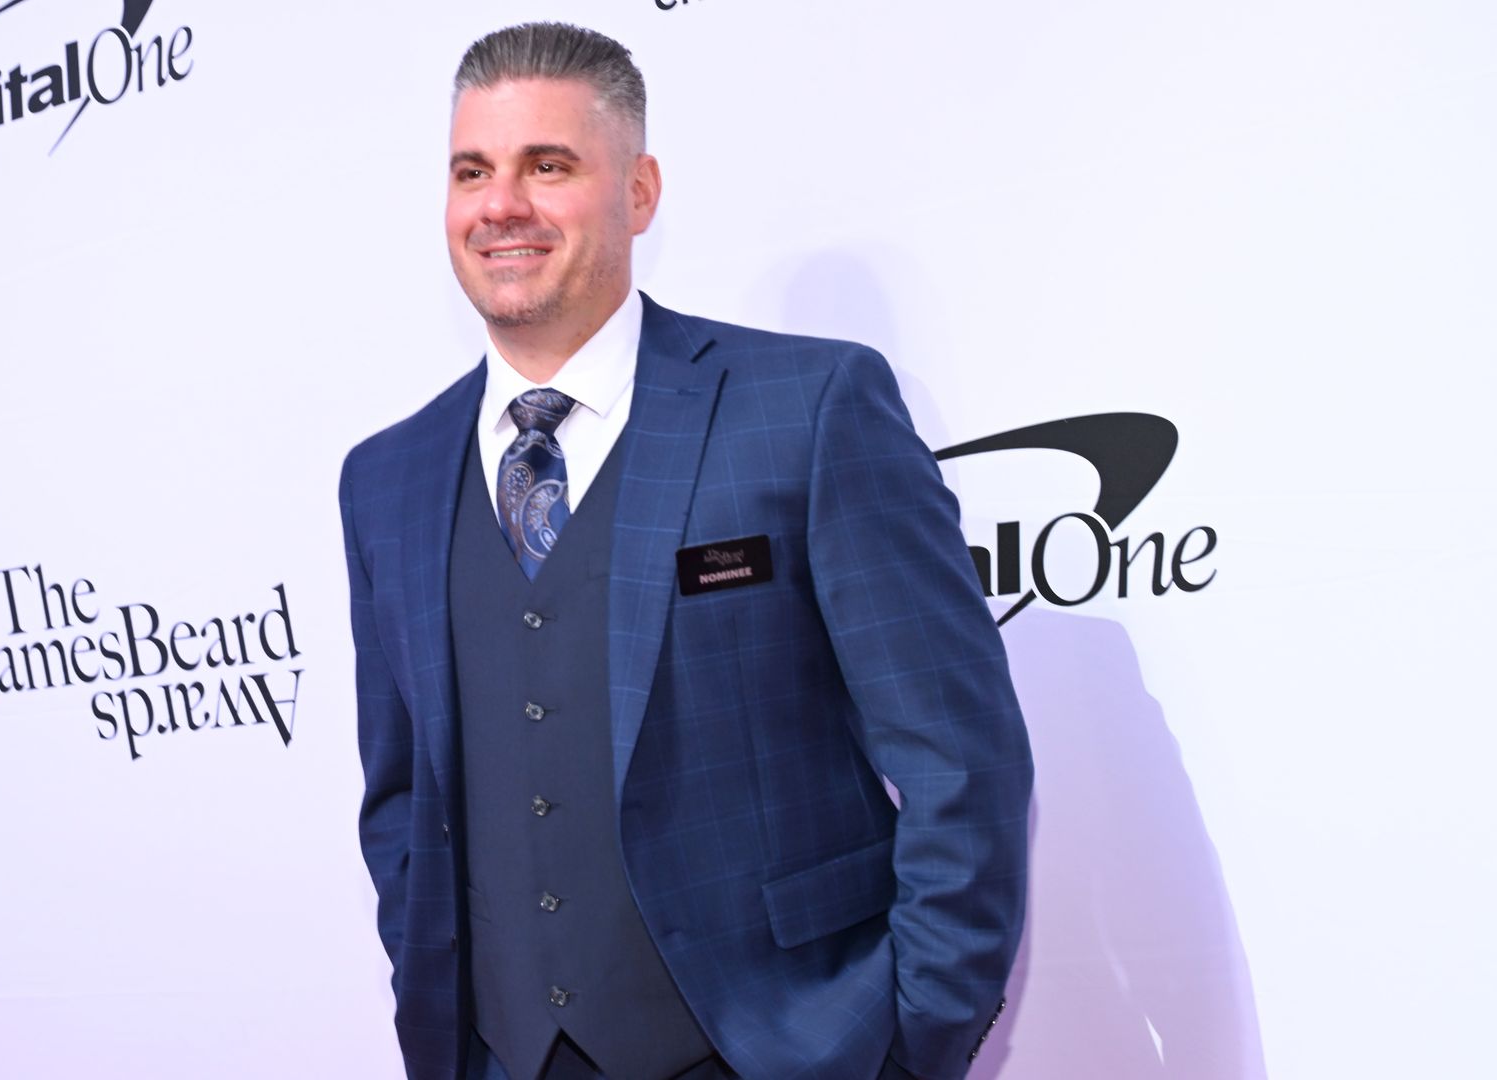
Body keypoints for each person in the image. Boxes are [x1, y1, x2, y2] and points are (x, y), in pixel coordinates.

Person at [339, 22, 1032, 1080]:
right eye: (472, 170)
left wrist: (906, 1046)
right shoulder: (384, 478)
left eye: (549, 165)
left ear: (640, 191)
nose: (501, 205)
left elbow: (960, 764)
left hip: (781, 1051)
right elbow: (401, 801)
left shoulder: (807, 409)